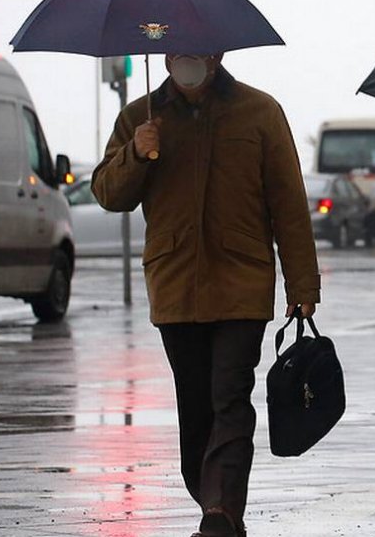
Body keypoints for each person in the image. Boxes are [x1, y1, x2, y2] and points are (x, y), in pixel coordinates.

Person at [92, 54, 320, 537]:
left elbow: (288, 202)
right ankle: (215, 506)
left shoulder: (259, 112)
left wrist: (302, 285)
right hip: (175, 286)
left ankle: (220, 510)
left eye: (197, 52)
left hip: (242, 283)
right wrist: (137, 152)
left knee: (230, 396)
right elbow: (109, 195)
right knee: (195, 407)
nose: (185, 61)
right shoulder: (140, 116)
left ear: (217, 56)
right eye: (177, 53)